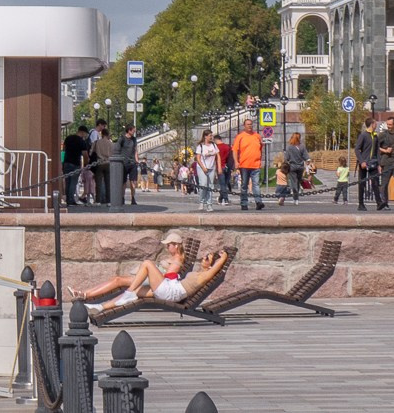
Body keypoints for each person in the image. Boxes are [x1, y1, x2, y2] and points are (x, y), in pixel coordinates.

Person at [70, 231, 232, 314]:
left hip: (171, 292)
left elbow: (214, 270)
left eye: (207, 257)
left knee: (147, 264)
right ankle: (100, 307)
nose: (203, 258)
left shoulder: (204, 276)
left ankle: (127, 292)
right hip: (170, 288)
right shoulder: (200, 273)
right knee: (137, 293)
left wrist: (222, 258)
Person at [231, 117, 264, 211]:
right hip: (244, 165)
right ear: (244, 126)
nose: (250, 126)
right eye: (248, 124)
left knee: (256, 184)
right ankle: (244, 203)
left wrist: (259, 159)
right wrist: (236, 162)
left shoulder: (257, 136)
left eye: (251, 124)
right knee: (244, 185)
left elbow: (260, 148)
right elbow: (234, 150)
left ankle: (258, 202)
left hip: (255, 165)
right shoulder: (240, 136)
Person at [354, 116, 379, 211]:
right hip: (364, 163)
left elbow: (377, 151)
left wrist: (379, 163)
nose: (376, 125)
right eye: (375, 123)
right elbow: (357, 149)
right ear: (372, 124)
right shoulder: (363, 135)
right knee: (362, 183)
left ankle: (379, 202)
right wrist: (361, 161)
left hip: (373, 162)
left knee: (375, 182)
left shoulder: (375, 136)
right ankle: (361, 204)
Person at [279, 132, 308, 204]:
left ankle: (295, 194)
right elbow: (306, 157)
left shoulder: (289, 147)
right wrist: (308, 162)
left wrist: (284, 164)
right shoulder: (302, 146)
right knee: (298, 181)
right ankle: (296, 198)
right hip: (300, 167)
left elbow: (286, 158)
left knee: (293, 182)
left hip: (292, 167)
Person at [195, 130, 221, 212]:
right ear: (205, 136)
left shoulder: (214, 145)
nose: (211, 137)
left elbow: (218, 156)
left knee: (210, 186)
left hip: (211, 167)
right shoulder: (200, 146)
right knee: (203, 185)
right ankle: (201, 202)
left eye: (212, 135)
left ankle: (209, 204)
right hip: (202, 167)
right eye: (210, 135)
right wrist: (203, 168)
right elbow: (198, 159)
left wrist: (219, 167)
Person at [90, 119, 114, 205]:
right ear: (107, 135)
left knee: (98, 183)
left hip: (99, 163)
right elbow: (114, 154)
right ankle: (109, 201)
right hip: (108, 163)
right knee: (108, 183)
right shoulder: (111, 144)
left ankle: (98, 200)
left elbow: (91, 152)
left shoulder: (97, 142)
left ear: (102, 134)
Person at [62, 125, 87, 206]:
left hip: (66, 162)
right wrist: (86, 164)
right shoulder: (81, 141)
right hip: (75, 163)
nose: (85, 135)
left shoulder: (68, 138)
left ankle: (68, 199)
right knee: (73, 182)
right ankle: (71, 200)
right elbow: (84, 154)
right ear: (82, 132)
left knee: (67, 182)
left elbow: (64, 149)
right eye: (85, 134)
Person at [119, 126, 139, 206]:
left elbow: (135, 150)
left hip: (132, 163)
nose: (134, 132)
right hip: (124, 163)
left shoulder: (134, 139)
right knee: (123, 182)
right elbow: (118, 149)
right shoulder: (122, 139)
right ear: (129, 130)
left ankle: (133, 198)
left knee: (133, 181)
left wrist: (137, 159)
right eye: (133, 130)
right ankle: (122, 198)